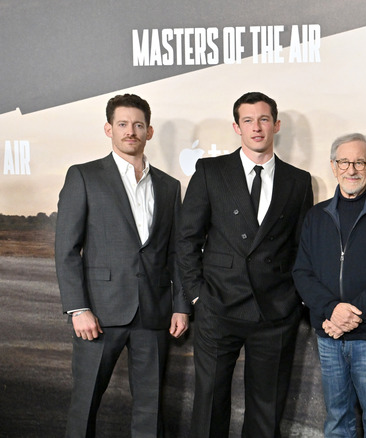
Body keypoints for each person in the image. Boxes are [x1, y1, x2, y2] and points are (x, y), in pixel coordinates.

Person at [177, 92, 313, 437]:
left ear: (276, 125)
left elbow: (301, 247)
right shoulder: (210, 170)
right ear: (237, 127)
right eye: (248, 121)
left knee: (266, 411)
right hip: (218, 306)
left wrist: (295, 300)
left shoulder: (298, 180)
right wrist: (196, 296)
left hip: (275, 312)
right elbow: (187, 239)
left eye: (264, 119)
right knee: (209, 405)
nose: (257, 127)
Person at [55, 93, 190, 437]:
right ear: (108, 129)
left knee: (151, 409)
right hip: (98, 313)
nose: (131, 131)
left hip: (153, 314)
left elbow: (176, 252)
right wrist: (78, 308)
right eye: (123, 124)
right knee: (85, 404)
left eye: (138, 125)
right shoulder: (84, 176)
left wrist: (180, 306)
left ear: (149, 131)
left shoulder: (169, 186)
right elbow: (67, 249)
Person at [292, 133, 366, 437]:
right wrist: (332, 310)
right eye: (344, 161)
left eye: (360, 162)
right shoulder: (316, 216)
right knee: (336, 419)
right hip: (330, 336)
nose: (352, 169)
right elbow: (302, 272)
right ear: (333, 166)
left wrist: (350, 315)